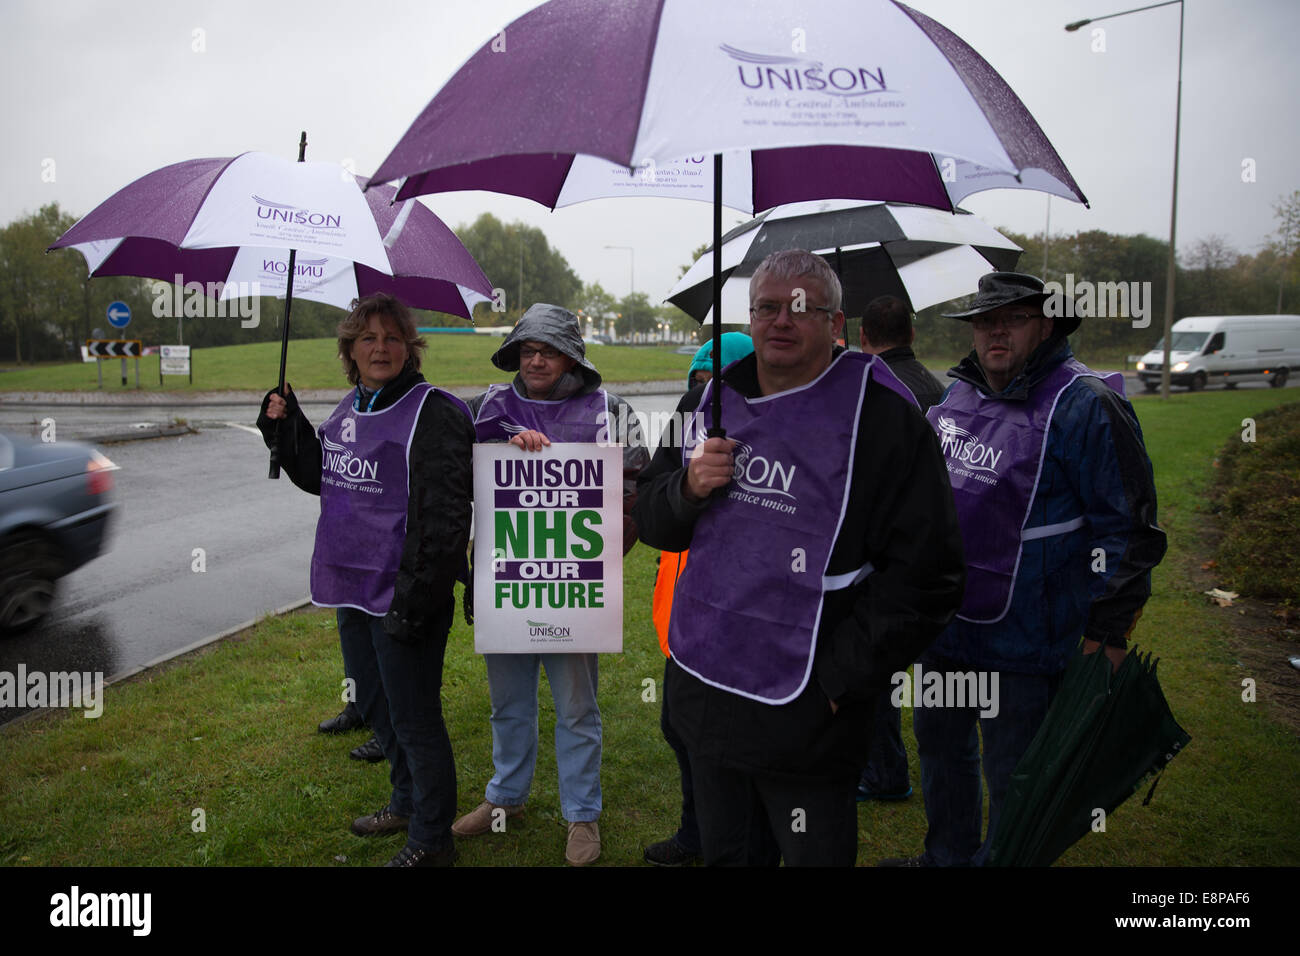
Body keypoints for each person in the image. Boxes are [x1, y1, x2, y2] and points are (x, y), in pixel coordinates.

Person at [635, 250, 965, 866]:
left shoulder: (886, 419)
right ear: (749, 317)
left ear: (836, 324)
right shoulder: (710, 405)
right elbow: (654, 521)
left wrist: (840, 684)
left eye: (801, 309)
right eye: (766, 307)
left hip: (809, 717)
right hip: (707, 694)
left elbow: (929, 577)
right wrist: (686, 489)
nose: (780, 321)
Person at [890, 272, 1167, 867]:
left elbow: (1132, 528)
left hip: (1027, 640)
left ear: (1045, 324)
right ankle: (947, 858)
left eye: (1011, 319)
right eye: (985, 321)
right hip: (947, 625)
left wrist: (1110, 631)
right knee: (941, 751)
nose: (994, 331)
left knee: (1014, 772)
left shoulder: (1088, 404)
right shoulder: (957, 395)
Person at [257, 293, 473, 868]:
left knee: (414, 716)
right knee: (376, 707)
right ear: (350, 349)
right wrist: (285, 423)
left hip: (405, 597)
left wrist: (416, 602)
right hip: (350, 588)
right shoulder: (351, 408)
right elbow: (321, 476)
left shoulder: (436, 413)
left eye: (392, 337)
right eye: (368, 337)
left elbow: (448, 521)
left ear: (410, 347)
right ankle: (404, 802)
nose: (381, 347)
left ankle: (431, 840)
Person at [453, 303, 649, 866]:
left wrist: (608, 549)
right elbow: (443, 456)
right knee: (508, 702)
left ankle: (582, 813)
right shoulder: (488, 407)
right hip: (509, 582)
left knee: (576, 707)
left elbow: (638, 484)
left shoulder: (609, 410)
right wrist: (500, 451)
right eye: (527, 349)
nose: (535, 359)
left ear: (571, 356)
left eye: (547, 350)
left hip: (574, 588)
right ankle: (505, 799)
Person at [644, 332, 754, 867]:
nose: (706, 390)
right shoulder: (694, 410)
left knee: (724, 746)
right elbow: (654, 494)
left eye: (717, 379)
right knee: (677, 727)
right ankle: (694, 833)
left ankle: (716, 836)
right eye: (698, 379)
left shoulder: (770, 418)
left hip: (741, 617)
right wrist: (688, 489)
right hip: (683, 611)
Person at [853, 295, 945, 803]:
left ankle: (886, 772)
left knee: (877, 665)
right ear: (911, 334)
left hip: (886, 545)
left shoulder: (874, 388)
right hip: (934, 540)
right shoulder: (939, 386)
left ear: (865, 337)